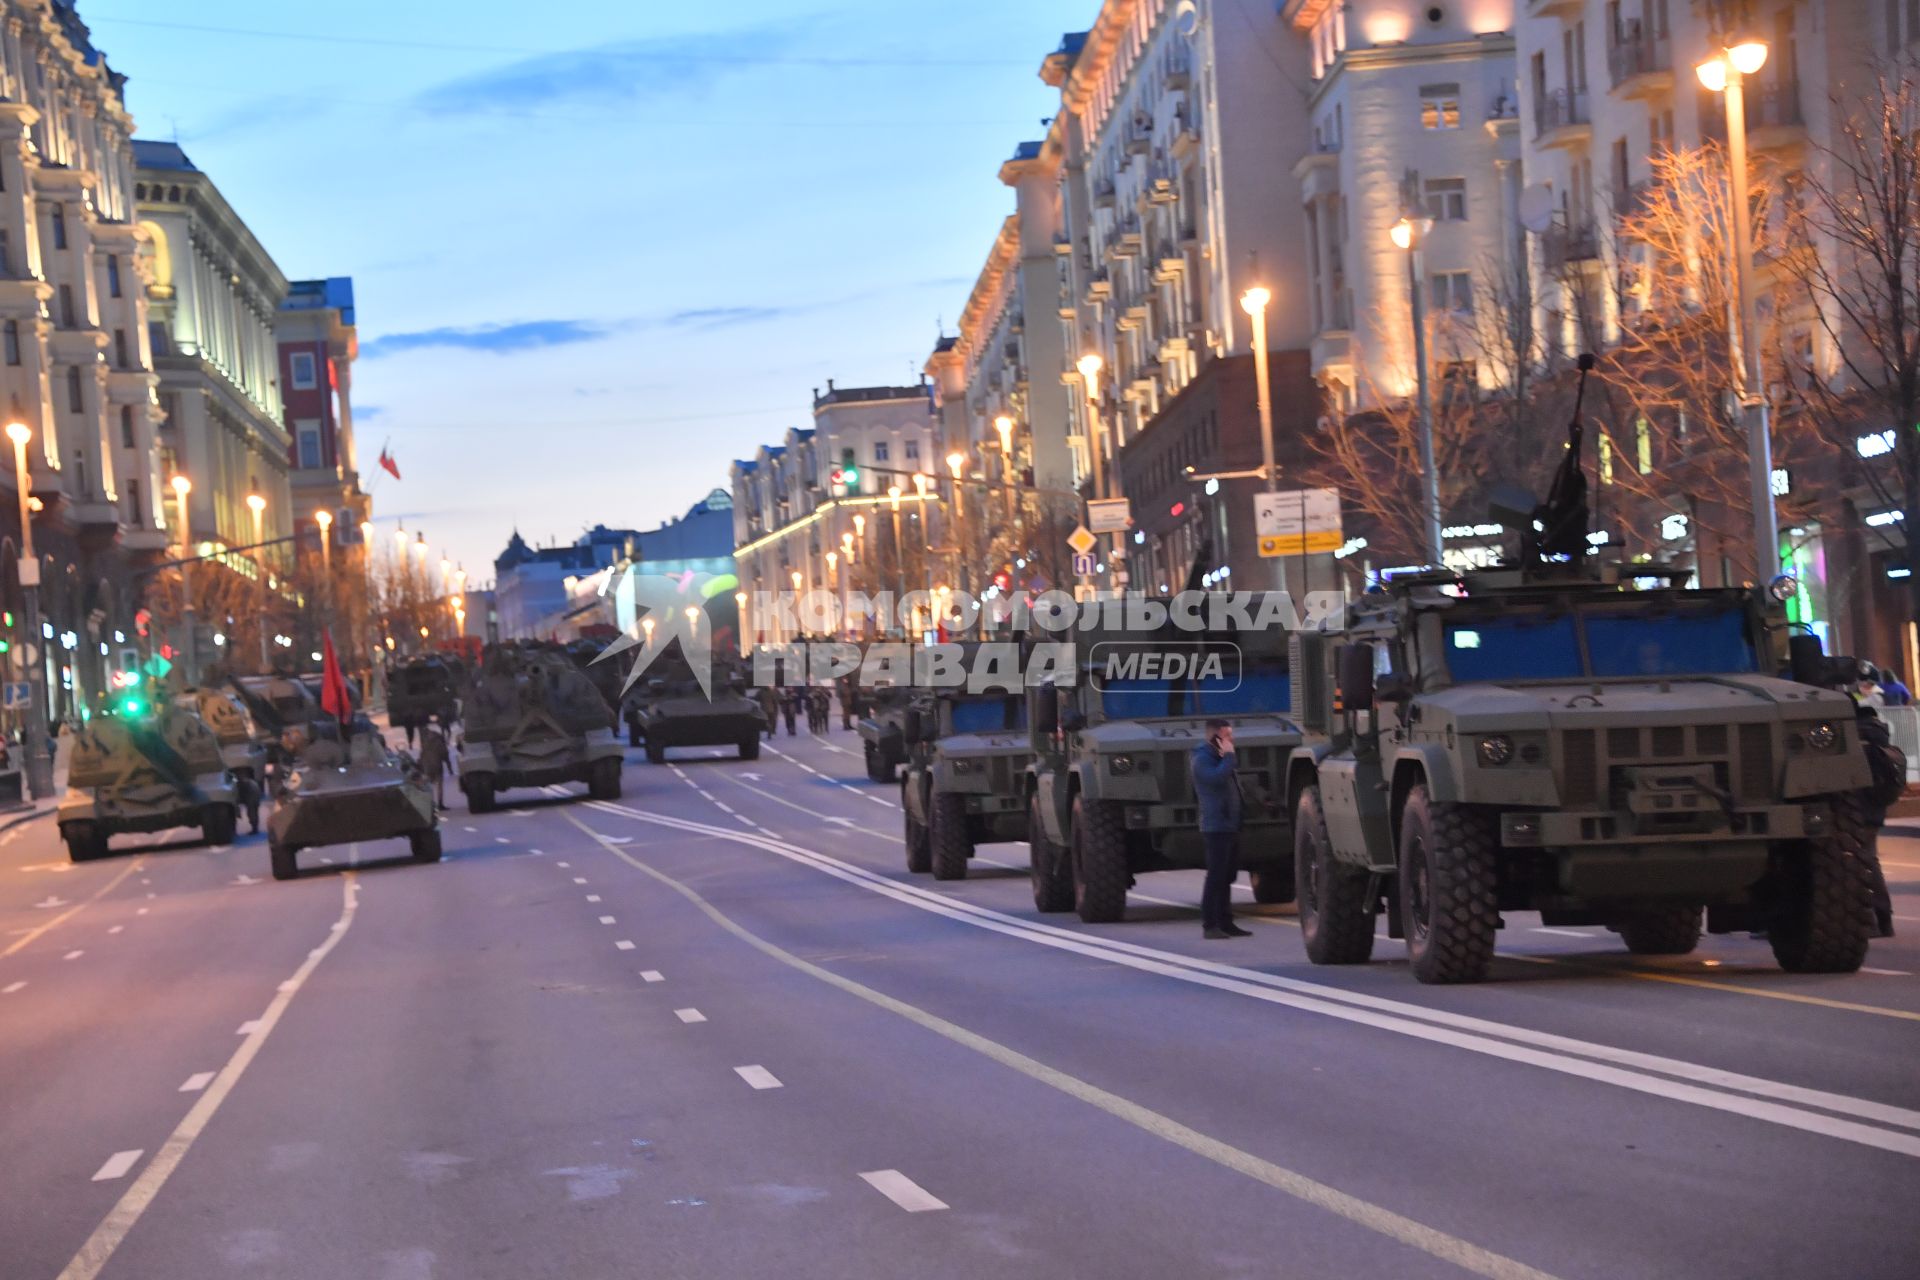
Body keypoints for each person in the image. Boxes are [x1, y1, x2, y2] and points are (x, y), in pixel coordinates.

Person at [1190, 719, 1250, 939]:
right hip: (1215, 826)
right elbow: (1215, 779)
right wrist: (1230, 756)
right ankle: (1210, 924)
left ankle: (1226, 921)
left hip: (1229, 825)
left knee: (1227, 876)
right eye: (1227, 736)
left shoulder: (1219, 758)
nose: (1231, 741)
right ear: (1214, 737)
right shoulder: (1201, 759)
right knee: (1216, 876)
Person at [419, 718, 452, 813]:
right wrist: (449, 768)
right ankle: (440, 804)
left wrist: (421, 766)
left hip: (427, 766)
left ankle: (429, 805)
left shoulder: (425, 743)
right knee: (439, 785)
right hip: (437, 764)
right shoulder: (438, 741)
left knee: (427, 785)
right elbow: (445, 754)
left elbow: (421, 756)